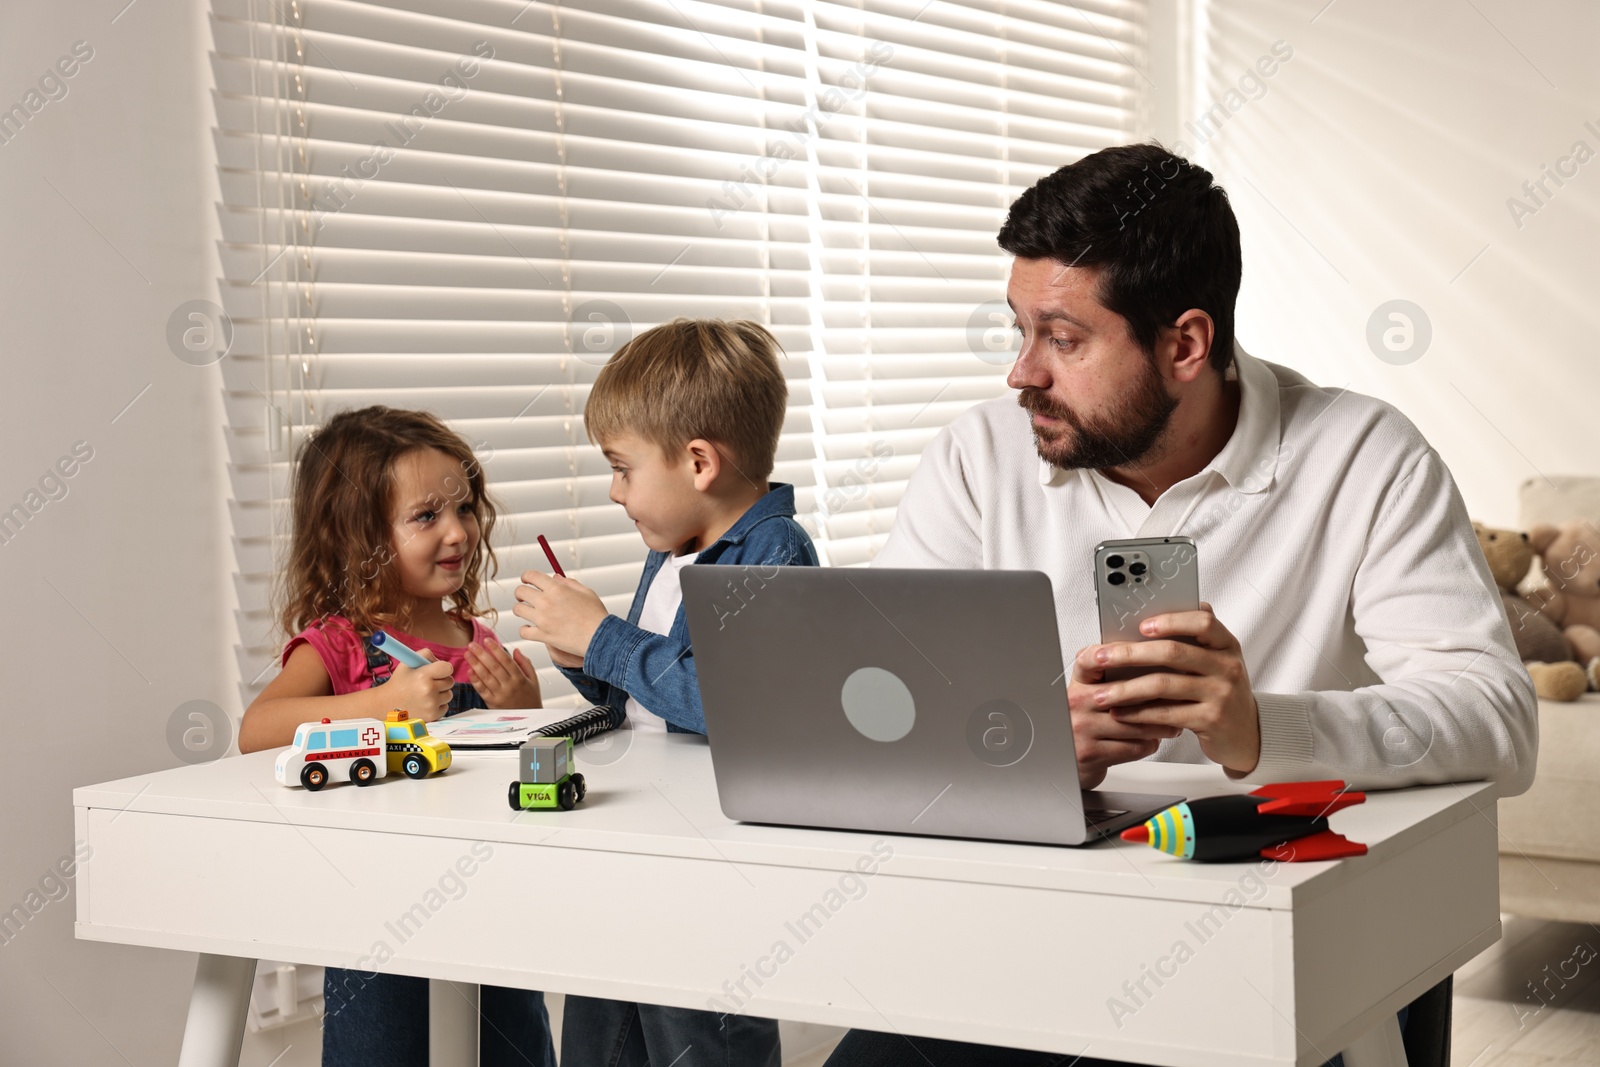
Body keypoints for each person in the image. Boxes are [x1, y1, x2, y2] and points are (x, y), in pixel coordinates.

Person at [824, 143, 1538, 1066]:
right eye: (1019, 331)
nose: (1022, 374)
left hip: (1269, 938)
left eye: (1063, 339)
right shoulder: (976, 459)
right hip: (1017, 931)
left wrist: (1261, 728)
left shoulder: (1366, 457)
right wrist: (1025, 743)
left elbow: (1499, 722)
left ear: (1186, 345)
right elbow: (881, 710)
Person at [513, 318, 817, 1066]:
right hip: (640, 834)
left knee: (699, 1032)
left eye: (622, 468)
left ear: (699, 462)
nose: (616, 492)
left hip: (706, 854)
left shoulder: (773, 554)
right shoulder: (675, 546)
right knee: (599, 1029)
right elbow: (651, 697)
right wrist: (583, 656)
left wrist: (605, 638)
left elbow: (732, 707)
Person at [238, 406, 555, 1067]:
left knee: (513, 1044)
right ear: (361, 538)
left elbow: (521, 757)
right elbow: (257, 728)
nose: (457, 532)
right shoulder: (342, 641)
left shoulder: (476, 637)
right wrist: (381, 702)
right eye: (426, 516)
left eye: (464, 509)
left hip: (490, 896)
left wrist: (523, 707)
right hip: (373, 907)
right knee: (379, 1046)